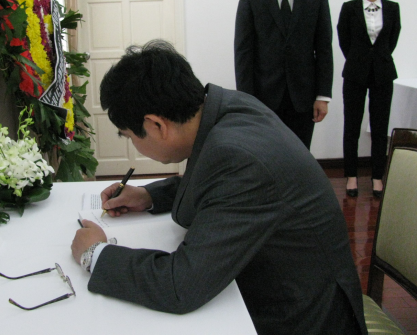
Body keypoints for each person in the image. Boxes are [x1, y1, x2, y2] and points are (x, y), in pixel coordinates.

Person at [71, 40, 367, 334]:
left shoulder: (240, 159)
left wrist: (96, 254)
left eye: (129, 136)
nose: (133, 145)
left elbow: (181, 285)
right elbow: (218, 182)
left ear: (156, 125)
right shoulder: (225, 107)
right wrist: (149, 195)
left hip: (303, 316)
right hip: (277, 282)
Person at [234, 0, 333, 149]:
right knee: (266, 152)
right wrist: (246, 101)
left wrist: (323, 96)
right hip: (263, 96)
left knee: (300, 153)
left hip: (304, 96)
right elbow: (243, 52)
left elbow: (324, 49)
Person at [338, 0, 401, 198]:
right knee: (351, 125)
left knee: (380, 126)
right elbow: (344, 40)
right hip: (355, 73)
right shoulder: (349, 7)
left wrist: (378, 59)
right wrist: (359, 60)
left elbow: (391, 41)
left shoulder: (393, 8)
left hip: (383, 73)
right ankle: (351, 176)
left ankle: (377, 177)